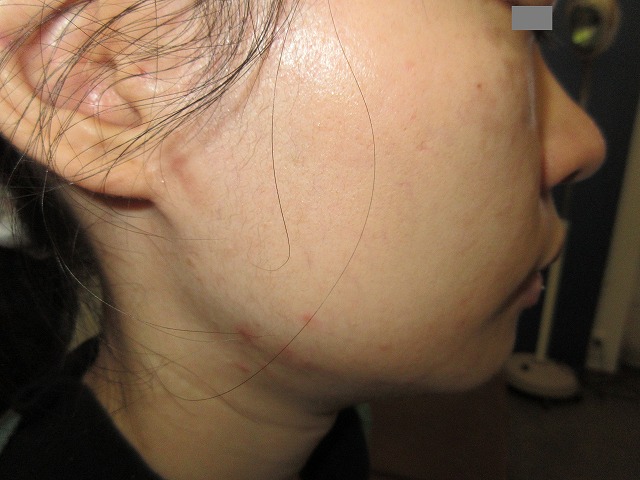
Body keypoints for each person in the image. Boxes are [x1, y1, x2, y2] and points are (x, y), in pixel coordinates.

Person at [0, 0, 606, 479]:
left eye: (540, 32)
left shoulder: (334, 439)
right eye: (512, 17)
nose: (585, 147)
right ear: (102, 76)